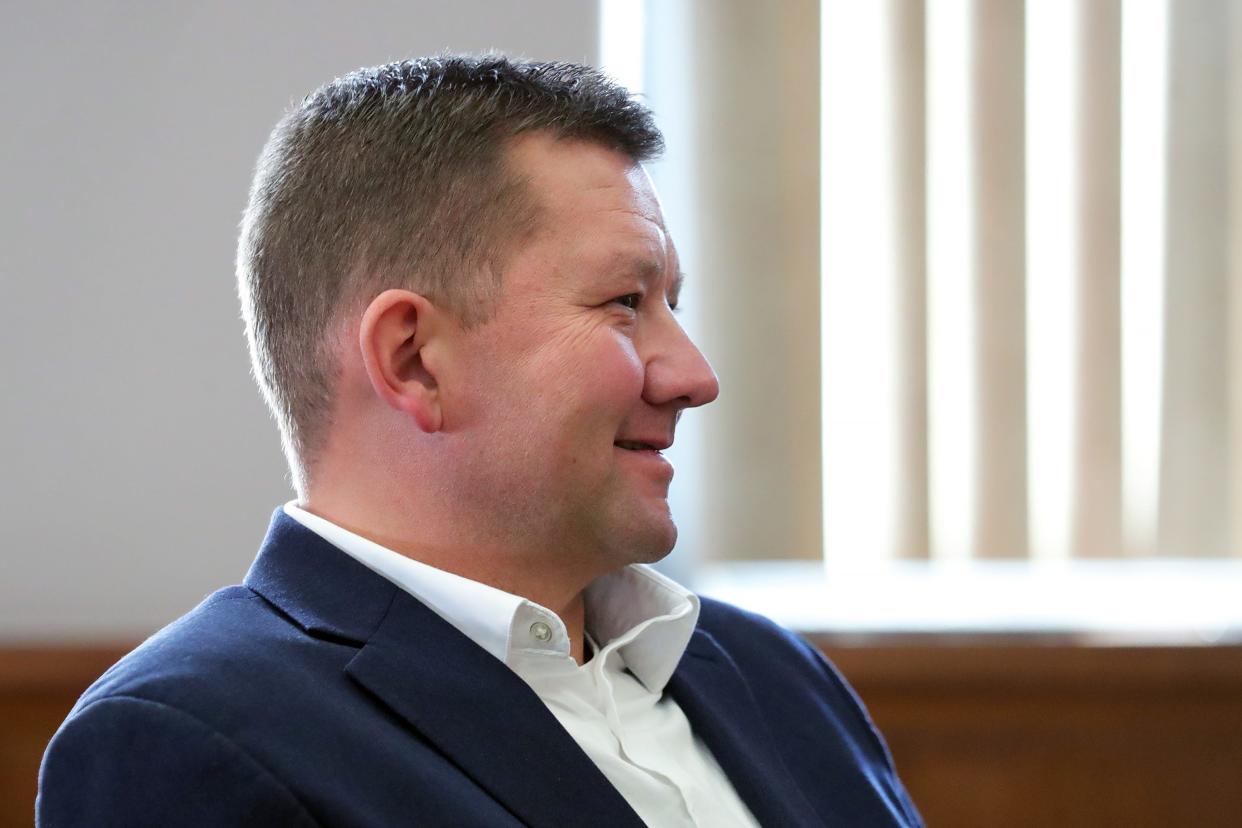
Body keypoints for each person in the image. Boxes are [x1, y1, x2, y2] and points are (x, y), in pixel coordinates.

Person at [37, 55, 922, 827]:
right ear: (415, 359)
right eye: (624, 303)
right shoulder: (190, 738)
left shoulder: (773, 676)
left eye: (672, 306)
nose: (693, 374)